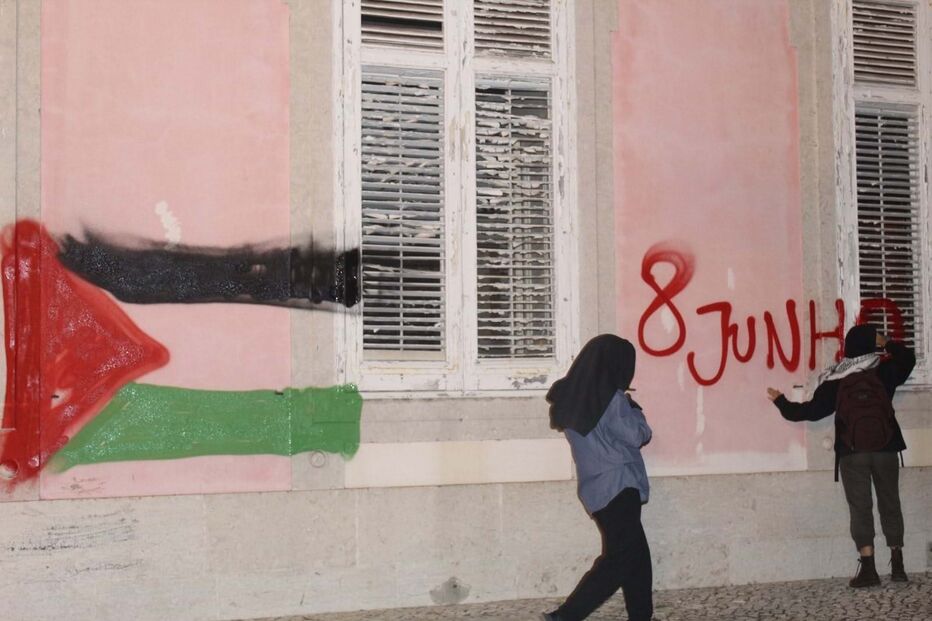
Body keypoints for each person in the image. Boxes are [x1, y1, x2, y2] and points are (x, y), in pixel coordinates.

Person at [767, 324, 914, 588]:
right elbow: (908, 358)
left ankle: (868, 570)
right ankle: (899, 565)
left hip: (852, 452)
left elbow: (809, 412)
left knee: (861, 508)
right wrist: (887, 343)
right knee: (890, 503)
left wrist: (781, 402)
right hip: (887, 449)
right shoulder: (884, 371)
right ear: (874, 343)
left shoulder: (837, 379)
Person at [542, 334, 653, 621]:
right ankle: (565, 616)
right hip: (620, 485)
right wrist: (636, 411)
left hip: (596, 487)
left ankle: (641, 616)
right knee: (620, 560)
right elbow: (637, 435)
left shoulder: (573, 397)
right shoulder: (612, 401)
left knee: (636, 556)